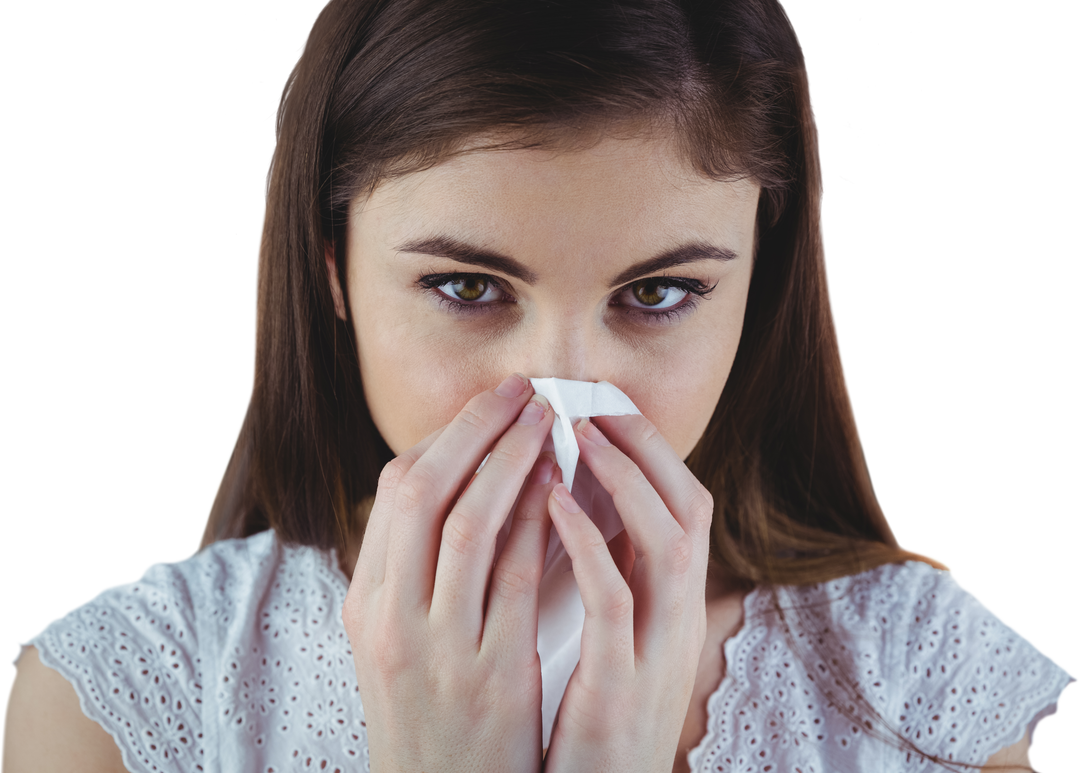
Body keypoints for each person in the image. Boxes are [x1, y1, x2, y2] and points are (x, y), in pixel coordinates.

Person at [4, 0, 1074, 771]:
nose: (562, 388)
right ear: (332, 268)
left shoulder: (915, 672)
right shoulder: (124, 694)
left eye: (656, 293)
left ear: (762, 280)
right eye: (468, 285)